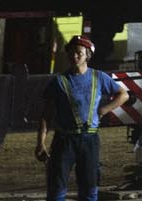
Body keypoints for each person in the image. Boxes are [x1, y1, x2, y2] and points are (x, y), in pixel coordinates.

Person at [35, 36, 130, 201]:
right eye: (71, 53)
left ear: (87, 55)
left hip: (90, 140)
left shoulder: (98, 78)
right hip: (64, 141)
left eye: (79, 53)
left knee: (89, 187)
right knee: (56, 187)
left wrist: (105, 109)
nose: (75, 56)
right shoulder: (59, 82)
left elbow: (123, 94)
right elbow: (46, 115)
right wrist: (40, 142)